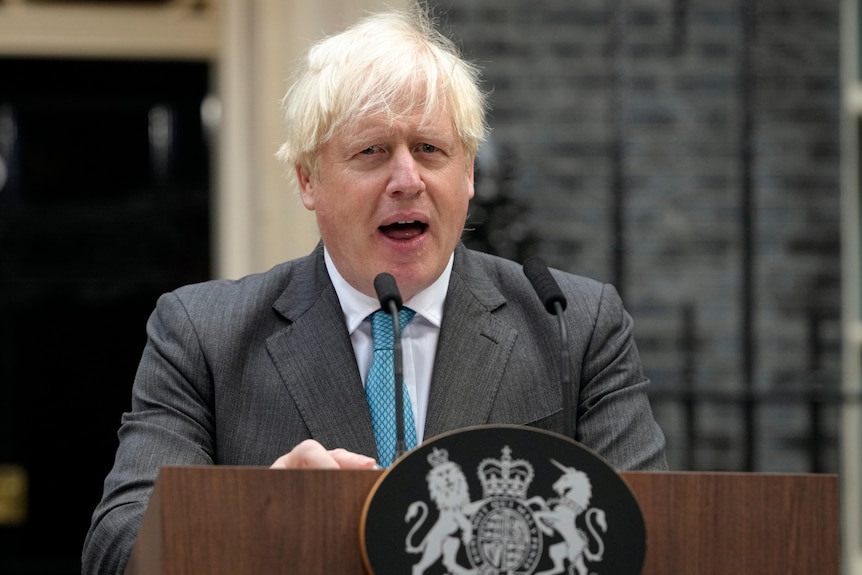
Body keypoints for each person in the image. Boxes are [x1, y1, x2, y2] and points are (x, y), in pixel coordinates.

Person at [82, 4, 667, 574]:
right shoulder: (203, 333)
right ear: (309, 180)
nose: (407, 180)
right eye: (372, 152)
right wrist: (254, 512)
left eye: (431, 150)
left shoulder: (574, 325)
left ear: (468, 175)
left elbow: (656, 533)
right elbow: (116, 546)